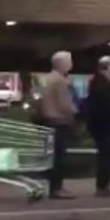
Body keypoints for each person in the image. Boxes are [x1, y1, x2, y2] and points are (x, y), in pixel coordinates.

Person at [38, 51, 79, 199]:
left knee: (52, 156)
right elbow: (65, 104)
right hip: (60, 121)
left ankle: (54, 187)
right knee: (59, 157)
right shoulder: (60, 81)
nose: (71, 64)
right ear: (62, 64)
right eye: (70, 61)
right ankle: (57, 188)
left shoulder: (47, 78)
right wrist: (75, 111)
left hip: (48, 120)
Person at [86, 56, 110, 197]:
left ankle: (104, 184)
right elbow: (107, 107)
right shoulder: (105, 84)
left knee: (104, 155)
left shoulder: (95, 82)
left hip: (98, 125)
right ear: (107, 67)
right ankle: (104, 186)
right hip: (105, 126)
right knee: (106, 156)